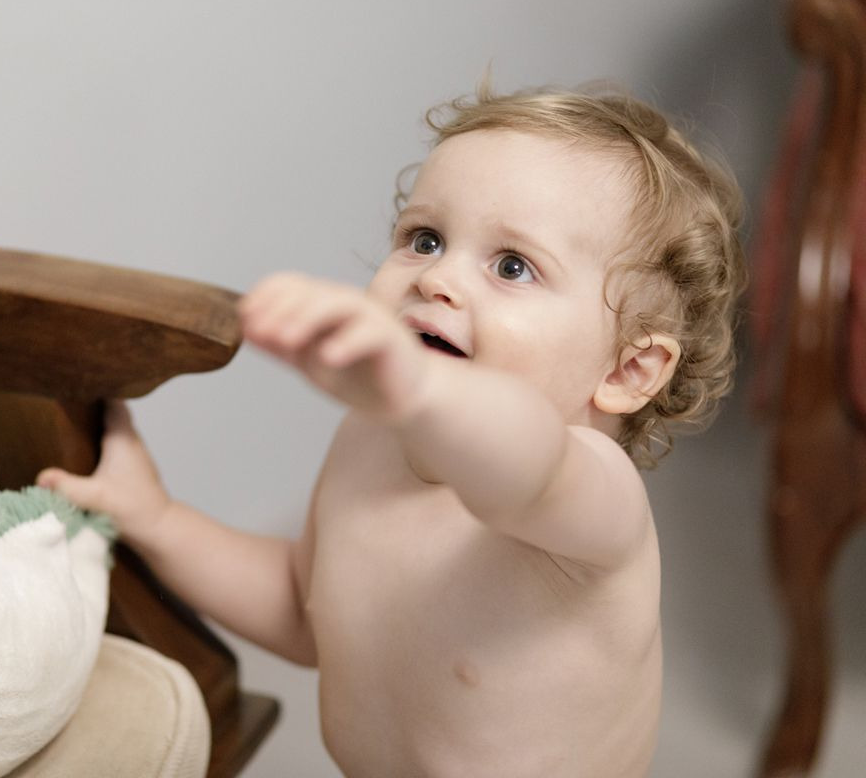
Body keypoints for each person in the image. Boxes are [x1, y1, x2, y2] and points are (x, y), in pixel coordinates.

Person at [37, 81, 747, 778]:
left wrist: (419, 389)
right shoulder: (368, 440)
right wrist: (159, 519)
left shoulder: (594, 498)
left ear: (628, 372)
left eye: (512, 266)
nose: (438, 279)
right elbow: (302, 604)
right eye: (426, 238)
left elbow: (526, 464)